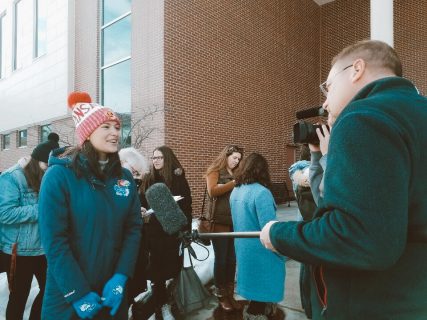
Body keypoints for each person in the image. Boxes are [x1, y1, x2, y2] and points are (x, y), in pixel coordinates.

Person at [260, 39, 427, 319]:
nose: (325, 101)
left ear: (356, 69)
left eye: (328, 86)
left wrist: (278, 234)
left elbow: (360, 238)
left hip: (376, 305)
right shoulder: (415, 112)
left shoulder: (363, 117)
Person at [38, 92, 142, 319]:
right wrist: (77, 294)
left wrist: (121, 276)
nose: (115, 132)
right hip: (68, 298)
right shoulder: (58, 176)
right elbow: (54, 242)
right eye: (106, 127)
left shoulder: (124, 177)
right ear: (87, 133)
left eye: (117, 127)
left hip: (112, 294)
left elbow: (133, 229)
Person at [0, 133, 59, 320]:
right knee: (19, 297)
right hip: (19, 251)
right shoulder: (12, 178)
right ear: (37, 161)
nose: (48, 170)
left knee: (52, 290)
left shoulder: (47, 176)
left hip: (44, 248)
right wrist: (41, 209)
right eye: (46, 166)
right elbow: (5, 214)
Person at [230, 153, 285, 320]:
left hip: (243, 248)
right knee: (263, 287)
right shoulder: (262, 193)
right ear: (262, 171)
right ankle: (257, 314)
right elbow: (269, 228)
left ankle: (258, 310)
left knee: (253, 287)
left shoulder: (236, 191)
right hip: (262, 251)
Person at [139, 145, 192, 320]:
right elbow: (141, 202)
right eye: (153, 158)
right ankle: (160, 306)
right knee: (157, 273)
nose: (155, 161)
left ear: (167, 159)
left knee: (173, 269)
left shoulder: (178, 180)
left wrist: (186, 232)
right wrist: (142, 210)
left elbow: (187, 207)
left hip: (173, 233)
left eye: (159, 157)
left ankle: (172, 301)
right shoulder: (148, 179)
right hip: (154, 233)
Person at [205, 144, 243, 312]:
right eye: (234, 157)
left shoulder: (238, 173)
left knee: (232, 259)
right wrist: (234, 183)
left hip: (235, 221)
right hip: (219, 222)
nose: (236, 161)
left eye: (239, 159)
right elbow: (212, 191)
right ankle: (221, 294)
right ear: (226, 156)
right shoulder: (215, 170)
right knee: (221, 258)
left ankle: (229, 292)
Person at [118, 147, 150, 312]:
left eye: (138, 174)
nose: (135, 177)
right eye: (133, 171)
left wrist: (138, 210)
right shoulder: (115, 183)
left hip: (133, 249)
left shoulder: (127, 183)